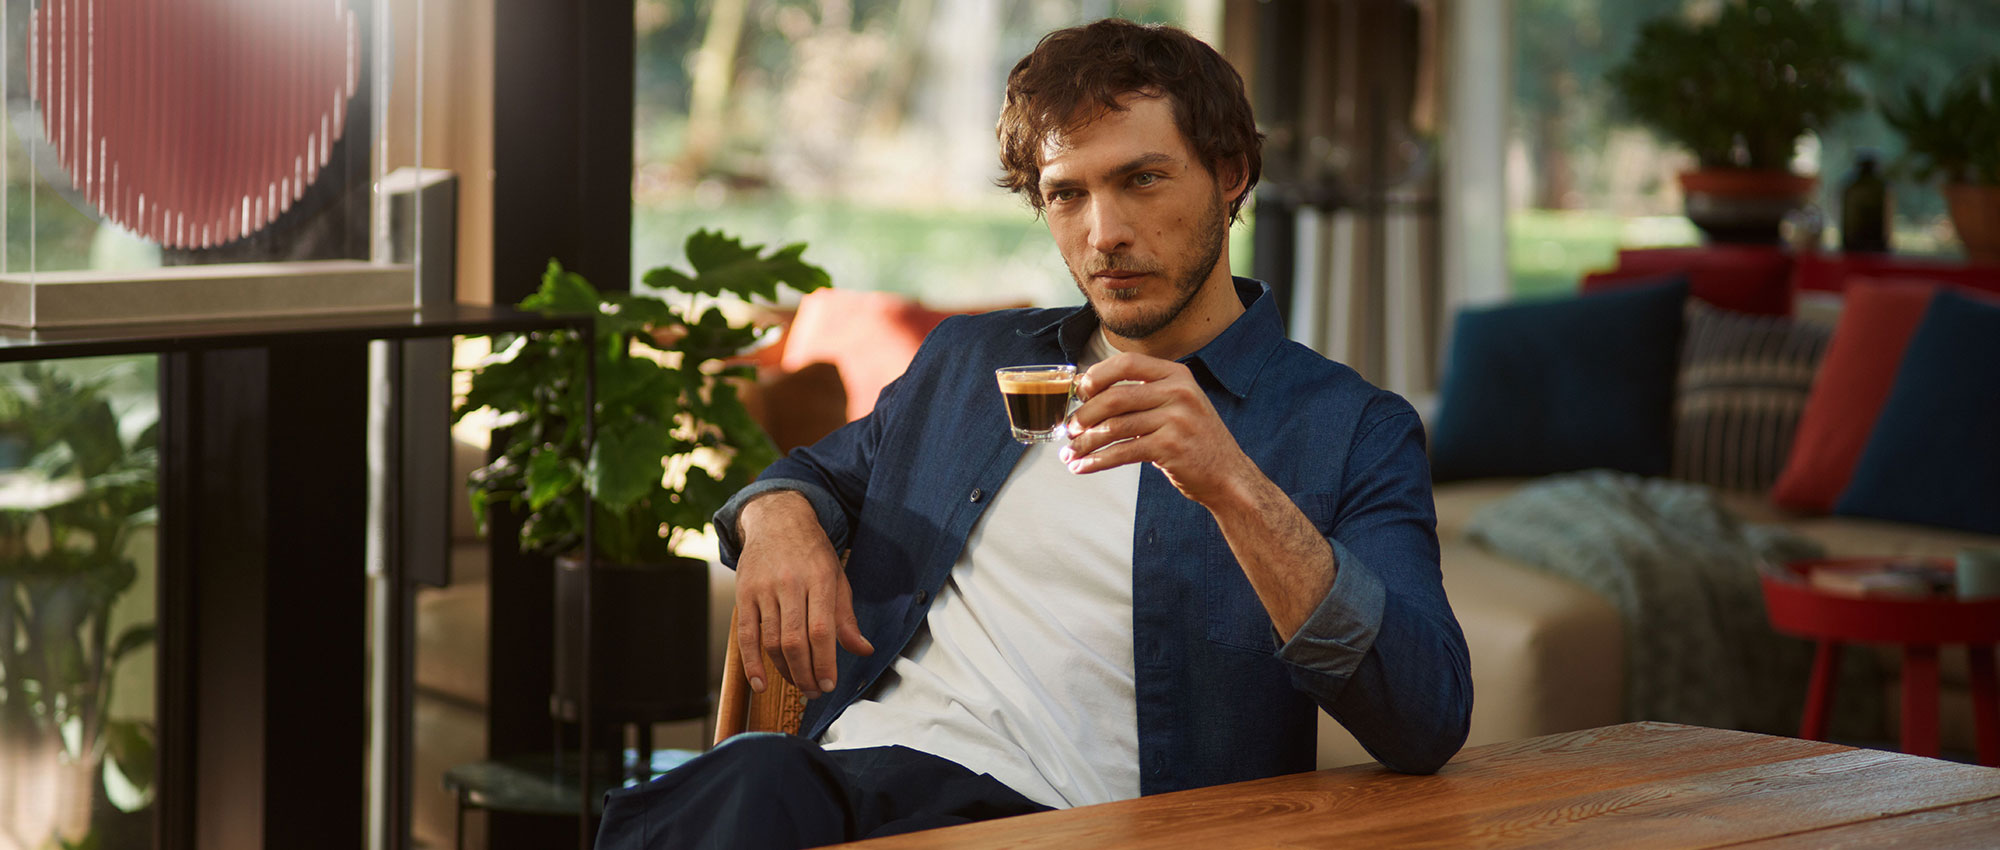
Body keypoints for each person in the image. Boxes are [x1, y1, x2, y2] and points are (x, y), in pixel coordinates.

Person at [594, 18, 1470, 849]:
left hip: (1067, 819)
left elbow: (1426, 717)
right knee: (736, 784)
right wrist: (776, 518)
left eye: (1143, 179)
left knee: (733, 793)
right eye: (1067, 194)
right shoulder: (972, 360)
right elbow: (818, 474)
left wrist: (1230, 483)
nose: (1105, 234)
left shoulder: (1349, 427)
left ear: (1232, 173)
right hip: (850, 784)